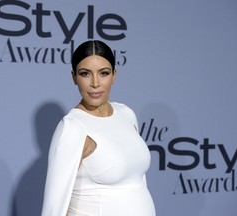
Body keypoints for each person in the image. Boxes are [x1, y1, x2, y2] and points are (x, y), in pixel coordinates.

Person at [41, 40, 156, 216]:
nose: (95, 83)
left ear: (114, 75)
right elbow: (54, 208)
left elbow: (138, 182)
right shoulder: (73, 127)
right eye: (85, 74)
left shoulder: (126, 114)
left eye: (103, 73)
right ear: (74, 77)